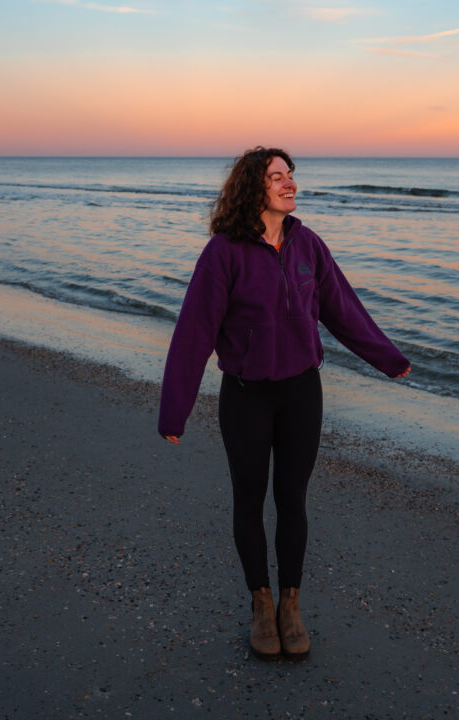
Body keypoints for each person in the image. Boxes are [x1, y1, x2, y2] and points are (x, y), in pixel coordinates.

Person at [158, 146, 410, 661]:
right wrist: (174, 410)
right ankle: (260, 603)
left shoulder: (308, 245)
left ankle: (291, 606)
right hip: (246, 396)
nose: (289, 183)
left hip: (301, 393)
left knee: (292, 500)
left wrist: (387, 358)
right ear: (254, 188)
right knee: (249, 501)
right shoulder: (224, 252)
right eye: (277, 177)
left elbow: (343, 309)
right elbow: (193, 334)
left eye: (290, 174)